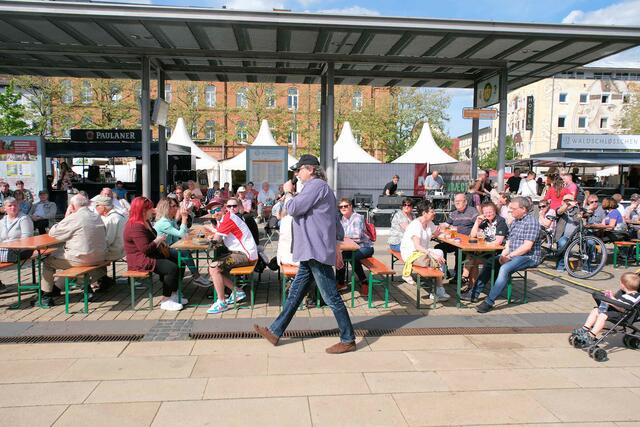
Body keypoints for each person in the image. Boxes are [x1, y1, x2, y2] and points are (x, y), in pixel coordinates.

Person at [253, 154, 356, 354]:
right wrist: (336, 245)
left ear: (310, 169)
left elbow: (293, 208)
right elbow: (336, 221)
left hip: (315, 250)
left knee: (331, 297)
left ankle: (348, 339)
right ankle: (275, 331)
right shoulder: (321, 188)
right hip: (313, 250)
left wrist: (288, 192)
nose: (296, 174)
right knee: (295, 294)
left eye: (299, 170)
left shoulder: (315, 186)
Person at [463, 196, 542, 312]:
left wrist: (509, 256)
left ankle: (489, 302)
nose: (510, 211)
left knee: (505, 268)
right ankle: (474, 294)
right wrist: (504, 254)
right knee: (490, 262)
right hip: (514, 254)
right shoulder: (516, 221)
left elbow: (527, 247)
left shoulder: (531, 222)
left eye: (513, 209)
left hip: (528, 256)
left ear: (523, 209)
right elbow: (509, 241)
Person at [41, 194, 107, 307]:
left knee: (47, 261)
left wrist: (67, 216)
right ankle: (82, 287)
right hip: (100, 257)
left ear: (72, 206)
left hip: (82, 258)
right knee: (69, 257)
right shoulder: (96, 216)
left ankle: (46, 295)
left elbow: (53, 232)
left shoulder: (75, 217)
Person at [124, 197, 185, 311]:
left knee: (178, 260)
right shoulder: (135, 226)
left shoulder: (145, 221)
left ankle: (173, 293)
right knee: (171, 268)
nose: (153, 210)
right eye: (150, 208)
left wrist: (159, 241)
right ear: (143, 210)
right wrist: (158, 240)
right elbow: (145, 249)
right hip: (140, 259)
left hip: (151, 254)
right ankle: (166, 300)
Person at [206, 197, 258, 314]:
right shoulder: (225, 218)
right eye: (212, 211)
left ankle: (221, 302)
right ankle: (237, 291)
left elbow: (216, 240)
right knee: (214, 267)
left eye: (217, 209)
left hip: (245, 255)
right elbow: (219, 237)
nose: (215, 213)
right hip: (242, 253)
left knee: (214, 267)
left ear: (224, 208)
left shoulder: (228, 218)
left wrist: (210, 240)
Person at [153, 197, 210, 287]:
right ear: (166, 208)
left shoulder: (170, 220)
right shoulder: (164, 222)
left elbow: (184, 233)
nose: (177, 208)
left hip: (169, 247)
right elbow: (182, 234)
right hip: (162, 251)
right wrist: (183, 218)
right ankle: (196, 277)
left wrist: (183, 220)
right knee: (184, 252)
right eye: (174, 206)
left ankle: (182, 283)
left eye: (177, 206)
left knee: (184, 252)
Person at [399, 200, 450, 301]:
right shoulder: (416, 225)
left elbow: (437, 232)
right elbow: (417, 246)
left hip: (421, 253)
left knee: (439, 253)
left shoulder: (429, 223)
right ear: (424, 213)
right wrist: (432, 254)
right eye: (432, 211)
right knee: (436, 260)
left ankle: (438, 289)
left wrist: (446, 235)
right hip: (411, 254)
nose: (434, 213)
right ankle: (435, 291)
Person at [573, 272, 640, 347]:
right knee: (596, 310)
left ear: (623, 285)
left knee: (602, 316)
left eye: (620, 282)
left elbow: (623, 309)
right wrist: (610, 297)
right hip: (617, 312)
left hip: (625, 316)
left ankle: (591, 335)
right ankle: (585, 329)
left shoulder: (634, 297)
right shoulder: (624, 294)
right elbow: (619, 302)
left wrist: (611, 301)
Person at [336, 198, 374, 297]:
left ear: (351, 206)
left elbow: (357, 235)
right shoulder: (341, 219)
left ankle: (364, 283)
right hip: (351, 247)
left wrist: (342, 238)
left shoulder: (357, 218)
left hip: (365, 246)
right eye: (340, 207)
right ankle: (340, 282)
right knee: (340, 254)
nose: (343, 208)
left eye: (345, 206)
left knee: (350, 256)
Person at [466, 202, 508, 292]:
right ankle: (470, 286)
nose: (488, 214)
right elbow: (472, 235)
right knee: (470, 256)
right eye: (485, 212)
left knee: (473, 259)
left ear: (495, 211)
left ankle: (470, 285)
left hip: (498, 253)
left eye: (490, 212)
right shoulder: (485, 222)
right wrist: (477, 223)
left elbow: (498, 242)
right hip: (487, 251)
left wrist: (484, 245)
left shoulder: (500, 221)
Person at [435, 193, 478, 281]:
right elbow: (446, 224)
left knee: (459, 252)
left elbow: (479, 225)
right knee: (439, 247)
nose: (457, 203)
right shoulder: (454, 213)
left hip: (466, 242)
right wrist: (440, 226)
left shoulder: (472, 211)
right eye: (455, 201)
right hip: (454, 241)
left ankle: (458, 276)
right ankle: (445, 271)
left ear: (465, 202)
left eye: (459, 201)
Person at [0, 197, 34, 293]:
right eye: (10, 206)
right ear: (4, 208)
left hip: (21, 250)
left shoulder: (24, 218)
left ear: (18, 206)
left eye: (15, 205)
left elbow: (27, 238)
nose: (13, 207)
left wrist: (10, 246)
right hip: (5, 250)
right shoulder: (2, 221)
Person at [93, 195, 126, 294]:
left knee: (90, 257)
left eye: (97, 206)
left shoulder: (111, 219)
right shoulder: (119, 215)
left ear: (103, 207)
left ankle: (102, 281)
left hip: (116, 250)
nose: (95, 208)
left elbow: (107, 240)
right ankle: (103, 279)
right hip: (122, 248)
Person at [554, 194, 582, 271]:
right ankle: (561, 266)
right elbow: (559, 212)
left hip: (576, 236)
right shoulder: (561, 209)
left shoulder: (576, 210)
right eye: (566, 201)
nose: (568, 202)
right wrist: (567, 205)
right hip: (563, 236)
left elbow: (580, 218)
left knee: (589, 243)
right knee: (563, 244)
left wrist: (581, 215)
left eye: (570, 201)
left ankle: (585, 266)